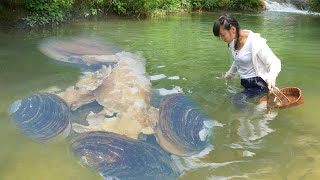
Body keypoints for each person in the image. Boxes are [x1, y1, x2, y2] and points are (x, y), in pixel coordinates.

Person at [213, 15, 281, 110]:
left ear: (233, 29)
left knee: (236, 100)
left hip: (258, 84)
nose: (221, 38)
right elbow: (237, 60)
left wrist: (271, 77)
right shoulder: (232, 41)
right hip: (246, 83)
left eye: (222, 35)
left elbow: (274, 62)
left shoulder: (255, 42)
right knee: (239, 101)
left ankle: (265, 108)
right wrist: (229, 74)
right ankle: (266, 106)